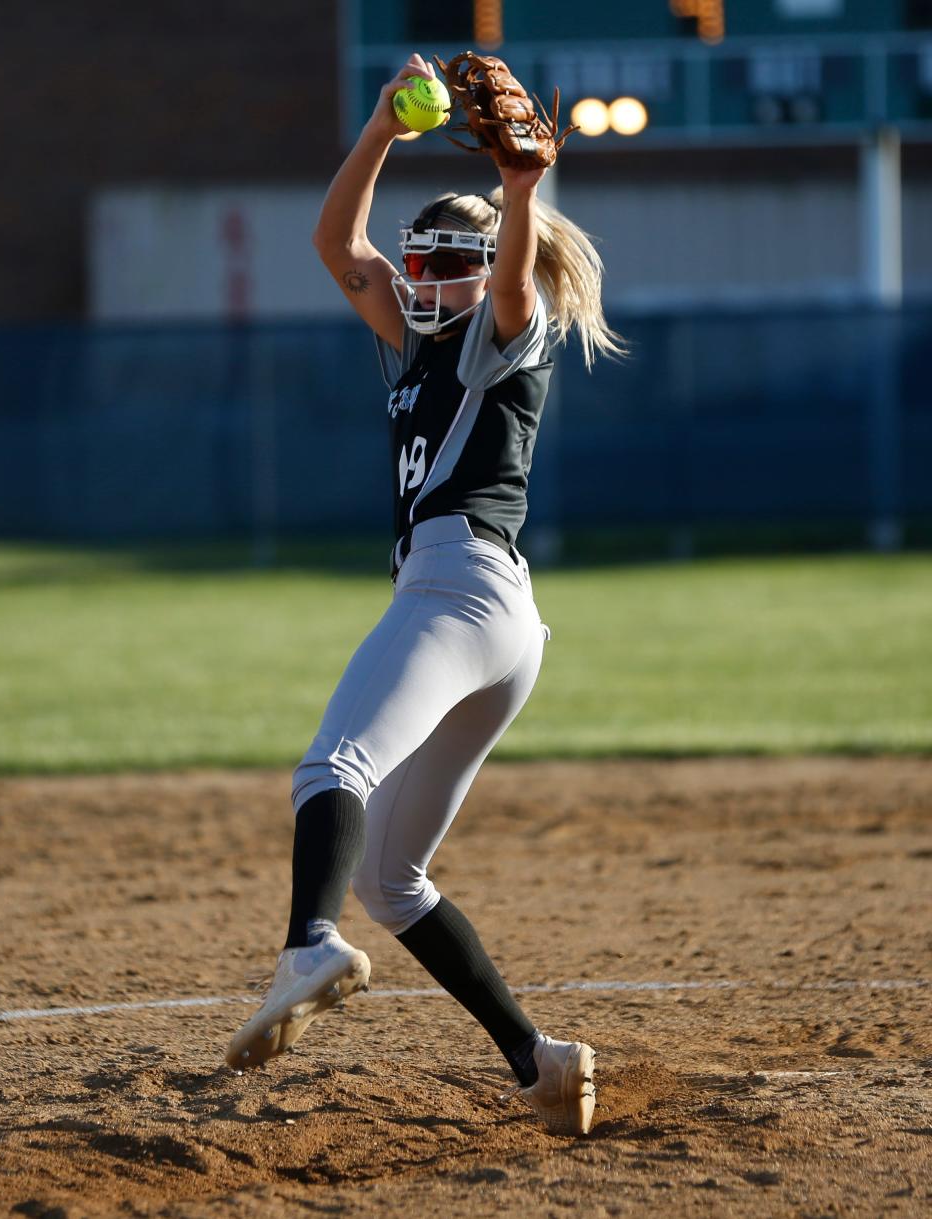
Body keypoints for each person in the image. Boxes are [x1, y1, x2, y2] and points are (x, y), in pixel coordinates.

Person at [225, 52, 625, 1137]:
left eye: (446, 258)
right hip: (498, 619)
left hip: (459, 591)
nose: (423, 275)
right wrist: (380, 128)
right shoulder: (416, 342)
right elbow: (333, 245)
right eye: (423, 259)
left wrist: (523, 193)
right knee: (395, 879)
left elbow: (505, 281)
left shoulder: (506, 328)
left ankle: (308, 942)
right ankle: (539, 1059)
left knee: (332, 768)